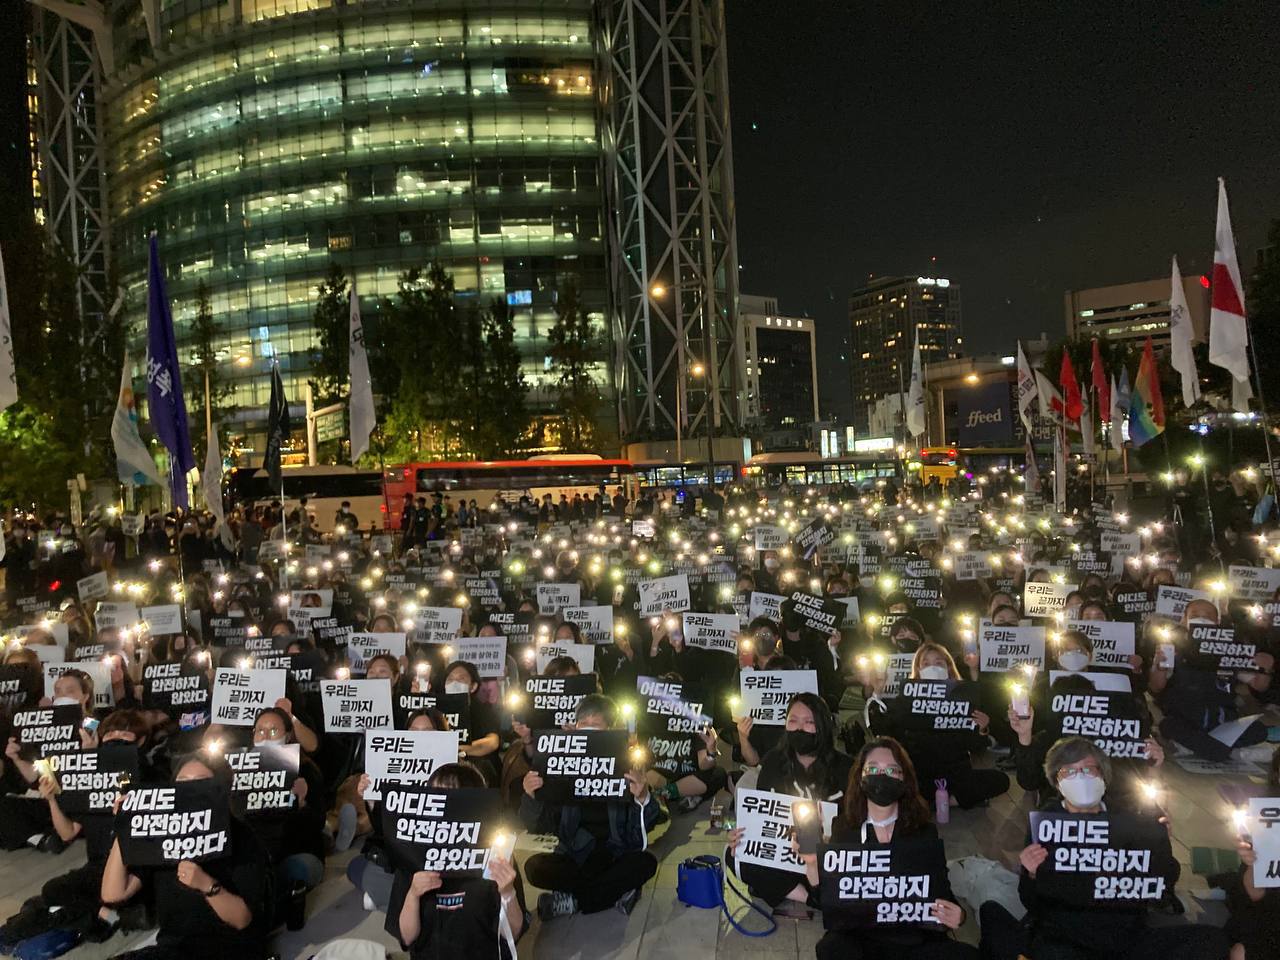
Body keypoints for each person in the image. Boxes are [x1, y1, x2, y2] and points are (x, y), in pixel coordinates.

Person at [981, 736, 1228, 960]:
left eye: (1088, 770)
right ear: (1057, 782)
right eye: (1069, 772)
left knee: (1211, 941)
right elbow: (1032, 902)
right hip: (1067, 939)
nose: (1081, 778)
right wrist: (1032, 873)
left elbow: (1164, 883)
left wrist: (1160, 844)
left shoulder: (1129, 819)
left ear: (1103, 776)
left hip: (1126, 937)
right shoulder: (1048, 823)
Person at [801, 737, 974, 959]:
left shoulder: (924, 831)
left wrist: (958, 915)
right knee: (831, 948)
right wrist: (813, 865)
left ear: (905, 779)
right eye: (872, 769)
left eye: (892, 770)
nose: (881, 776)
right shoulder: (845, 828)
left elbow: (940, 891)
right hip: (863, 938)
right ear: (860, 778)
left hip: (914, 939)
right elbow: (829, 901)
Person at [101, 754, 272, 960]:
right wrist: (127, 825)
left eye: (200, 782)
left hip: (230, 948)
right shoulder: (159, 833)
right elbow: (113, 894)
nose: (189, 790)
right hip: (174, 949)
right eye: (182, 783)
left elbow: (242, 920)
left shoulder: (243, 836)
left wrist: (206, 885)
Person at [519, 694, 660, 919]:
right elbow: (538, 825)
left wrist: (642, 797)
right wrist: (530, 795)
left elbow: (645, 829)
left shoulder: (627, 767)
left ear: (612, 731)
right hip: (574, 855)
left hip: (615, 854)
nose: (588, 732)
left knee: (646, 863)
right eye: (583, 725)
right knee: (534, 867)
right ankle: (611, 894)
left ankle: (574, 901)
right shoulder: (561, 766)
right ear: (574, 728)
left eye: (596, 727)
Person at [727, 693, 853, 917]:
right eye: (793, 721)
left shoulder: (846, 768)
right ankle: (809, 898)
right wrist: (744, 835)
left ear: (822, 726)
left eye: (808, 722)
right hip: (784, 852)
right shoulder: (773, 762)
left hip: (827, 856)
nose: (799, 728)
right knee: (735, 854)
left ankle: (794, 888)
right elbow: (762, 816)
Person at [388, 762, 529, 959]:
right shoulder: (413, 855)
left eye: (456, 801)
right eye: (438, 797)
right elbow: (407, 937)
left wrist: (507, 893)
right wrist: (413, 894)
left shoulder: (496, 855)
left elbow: (511, 936)